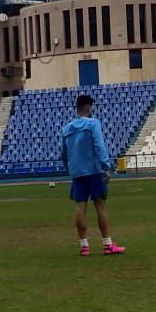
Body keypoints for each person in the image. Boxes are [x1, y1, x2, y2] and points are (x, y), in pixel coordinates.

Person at [61, 93, 124, 257]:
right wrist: (106, 166)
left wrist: (70, 168)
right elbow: (99, 145)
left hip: (77, 172)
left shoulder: (67, 128)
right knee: (100, 205)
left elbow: (64, 153)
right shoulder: (93, 124)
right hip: (94, 170)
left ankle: (84, 246)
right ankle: (107, 244)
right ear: (89, 107)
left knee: (80, 206)